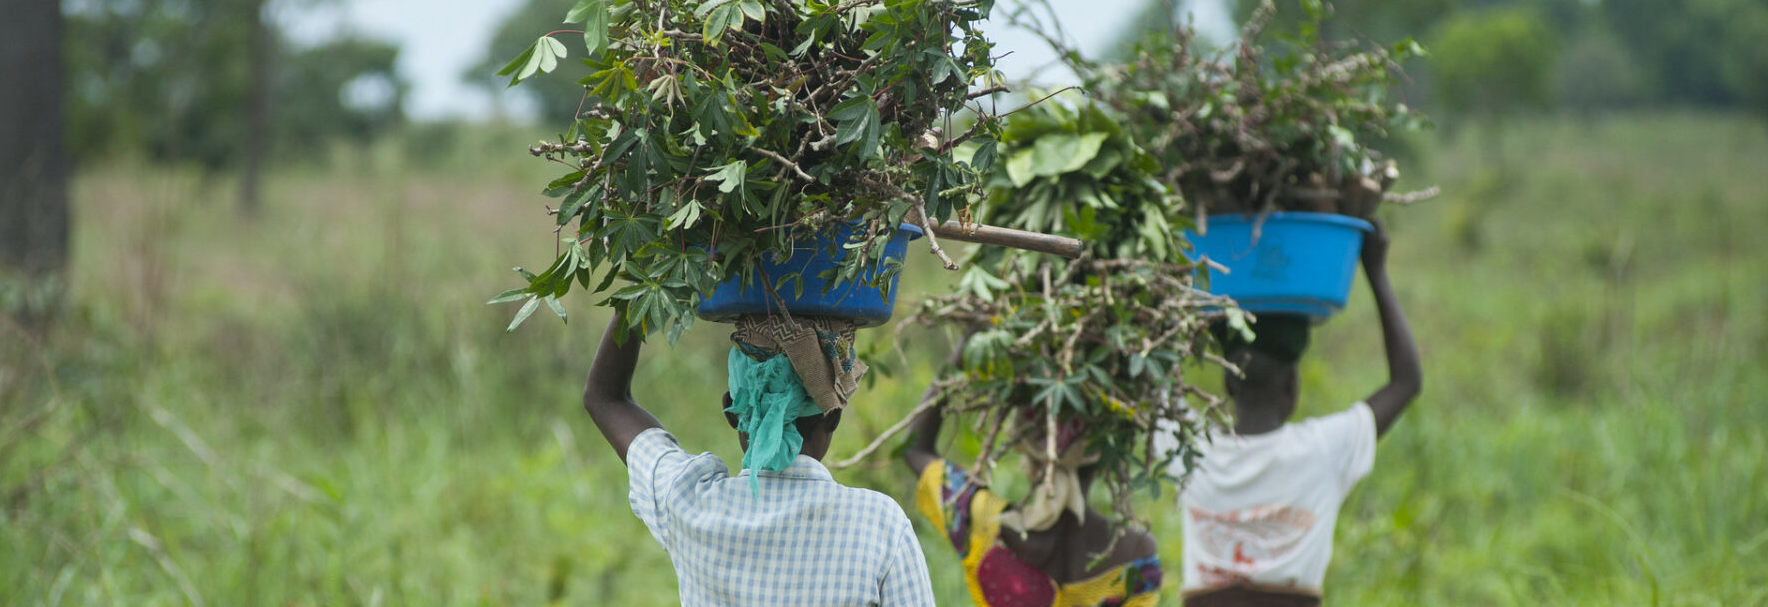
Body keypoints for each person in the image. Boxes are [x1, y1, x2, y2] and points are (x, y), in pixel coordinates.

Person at [583, 311, 935, 607]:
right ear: (833, 416)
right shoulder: (880, 525)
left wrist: (644, 288)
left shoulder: (688, 502)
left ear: (732, 412)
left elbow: (605, 398)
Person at [1176, 222, 1422, 607]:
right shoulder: (1323, 451)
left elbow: (1142, 377)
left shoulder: (1188, 448)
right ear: (1292, 388)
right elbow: (1406, 381)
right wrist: (1375, 270)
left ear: (1229, 385)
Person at [901, 335, 1165, 607]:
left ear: (1025, 447)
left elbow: (914, 449)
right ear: (1105, 453)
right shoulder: (1136, 554)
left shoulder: (982, 523)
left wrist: (963, 348)